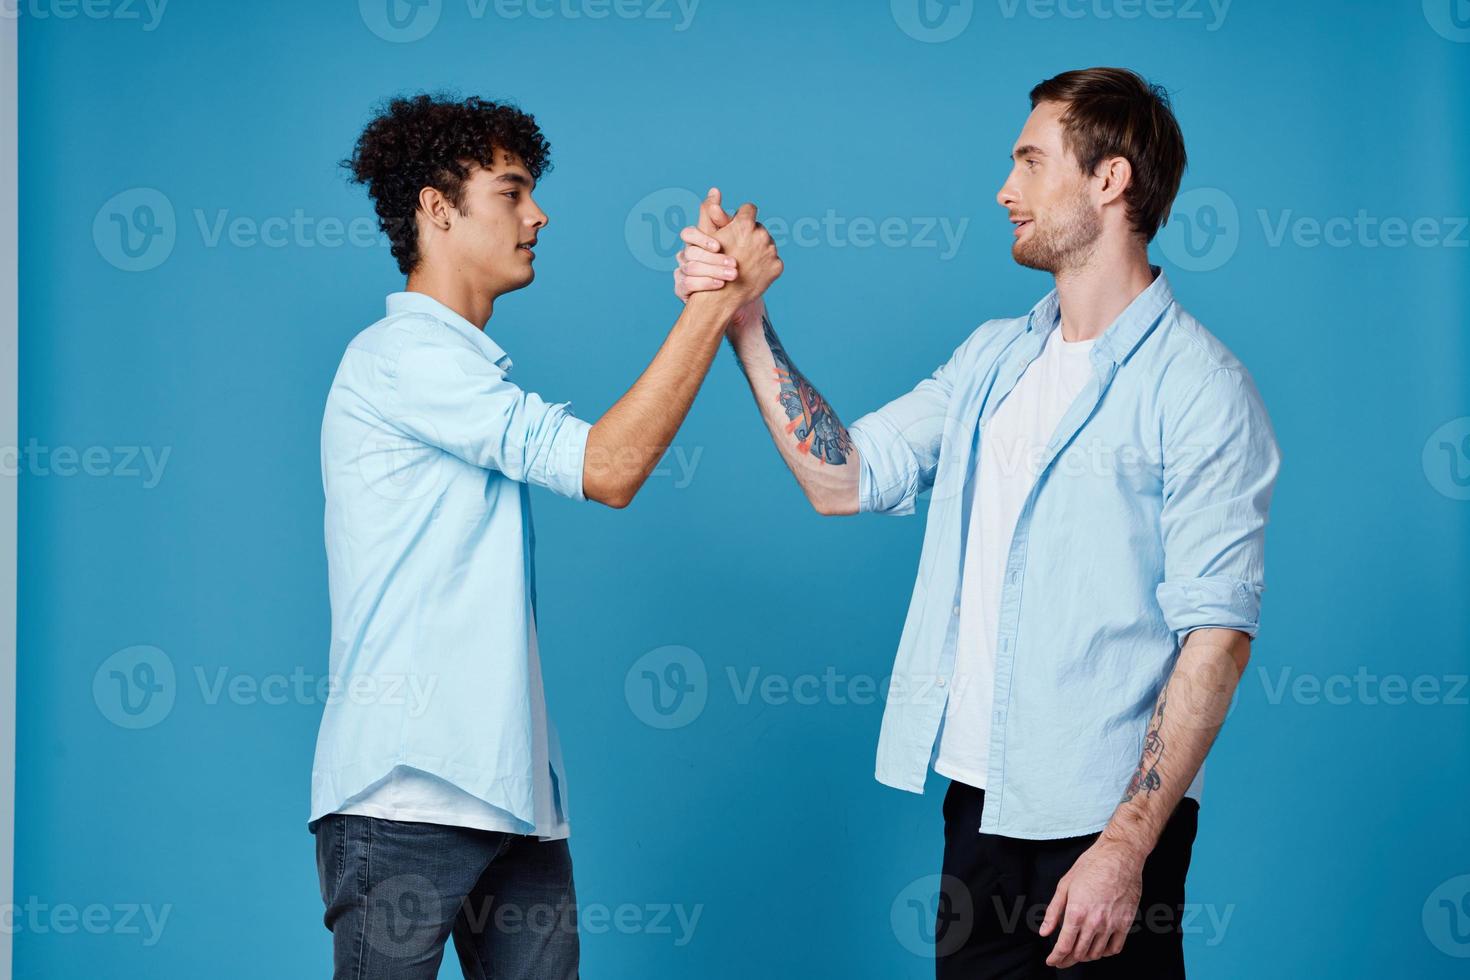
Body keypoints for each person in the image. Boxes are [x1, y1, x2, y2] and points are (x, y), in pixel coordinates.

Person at [674, 67, 1279, 978]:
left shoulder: (1200, 388)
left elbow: (1217, 639)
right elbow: (842, 478)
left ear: (1109, 181)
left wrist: (1127, 847)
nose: (1006, 189)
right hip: (979, 805)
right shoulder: (995, 359)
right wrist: (746, 322)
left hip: (1101, 825)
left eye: (1032, 162)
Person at [309, 93, 781, 979]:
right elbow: (608, 467)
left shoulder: (458, 369)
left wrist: (717, 304)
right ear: (437, 209)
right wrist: (715, 301)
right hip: (405, 797)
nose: (539, 215)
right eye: (512, 192)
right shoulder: (403, 359)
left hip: (516, 802)